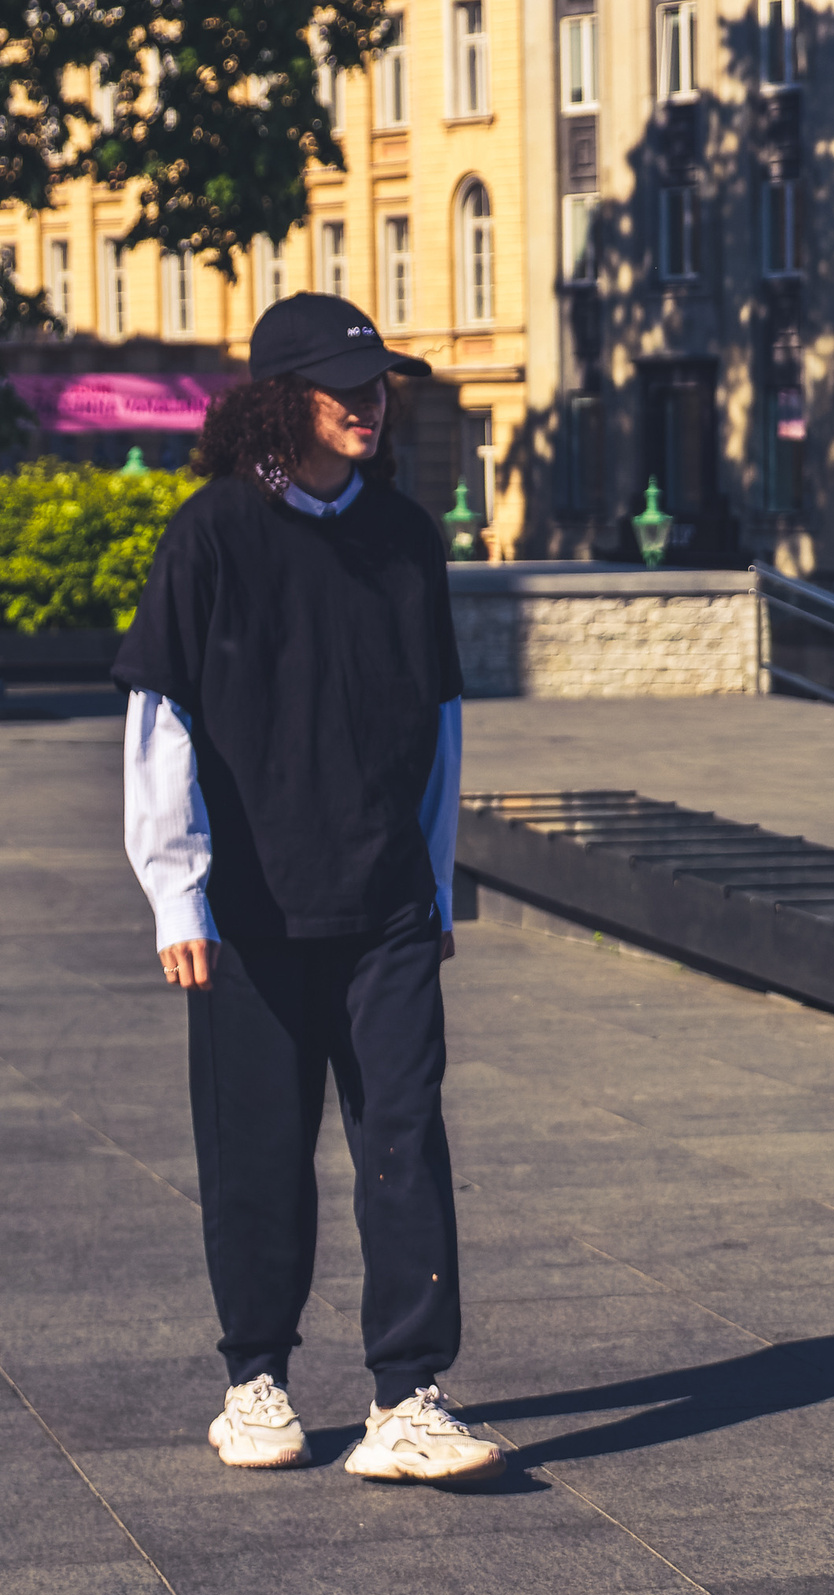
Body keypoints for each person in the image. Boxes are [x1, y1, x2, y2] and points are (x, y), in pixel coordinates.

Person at [114, 293, 501, 1483]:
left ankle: (408, 1395)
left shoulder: (404, 537)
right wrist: (178, 893)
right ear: (282, 401)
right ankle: (256, 1379)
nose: (370, 403)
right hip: (250, 910)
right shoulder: (213, 535)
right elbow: (160, 719)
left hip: (384, 901)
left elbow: (438, 725)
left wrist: (432, 886)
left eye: (379, 384)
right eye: (346, 387)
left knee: (404, 1137)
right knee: (260, 1150)